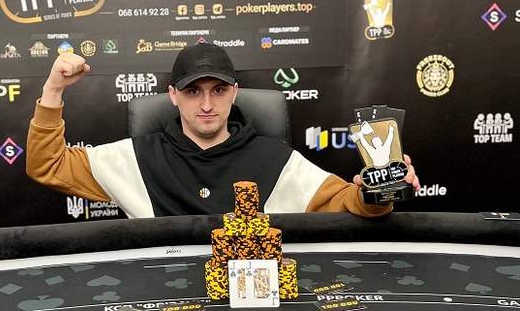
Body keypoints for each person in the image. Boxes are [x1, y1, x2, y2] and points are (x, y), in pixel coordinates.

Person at [27, 43, 420, 218]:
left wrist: (380, 189)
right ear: (172, 96)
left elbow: (352, 203)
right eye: (192, 91)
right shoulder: (136, 158)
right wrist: (54, 89)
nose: (206, 104)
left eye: (217, 90)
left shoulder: (276, 160)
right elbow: (47, 165)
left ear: (234, 93)